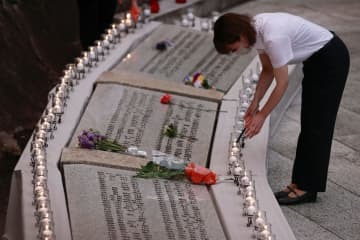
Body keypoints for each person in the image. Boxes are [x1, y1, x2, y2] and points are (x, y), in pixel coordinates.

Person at [213, 12, 349, 205]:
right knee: (309, 122)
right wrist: (255, 103)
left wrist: (262, 116)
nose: (236, 52)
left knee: (318, 126)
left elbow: (282, 84)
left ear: (240, 36)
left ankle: (308, 188)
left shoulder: (272, 36)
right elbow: (268, 70)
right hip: (316, 60)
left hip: (331, 59)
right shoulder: (255, 31)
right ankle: (299, 182)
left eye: (233, 49)